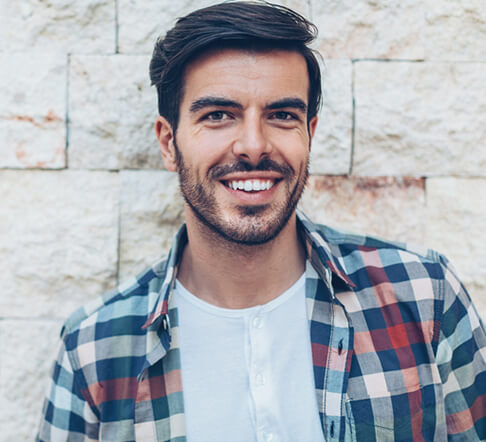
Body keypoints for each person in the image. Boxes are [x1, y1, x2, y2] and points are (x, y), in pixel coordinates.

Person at [37, 1, 486, 441]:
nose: (253, 145)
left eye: (281, 115)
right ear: (169, 142)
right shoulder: (95, 348)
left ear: (309, 134)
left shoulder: (424, 296)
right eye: (218, 116)